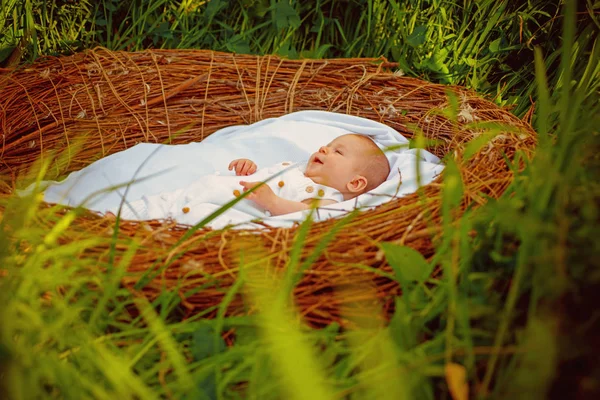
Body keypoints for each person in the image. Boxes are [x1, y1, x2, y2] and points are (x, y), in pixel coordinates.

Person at [117, 134, 390, 220]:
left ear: (354, 183)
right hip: (207, 190)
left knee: (183, 216)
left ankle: (135, 230)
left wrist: (272, 202)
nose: (323, 149)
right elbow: (263, 177)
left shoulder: (327, 197)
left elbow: (307, 215)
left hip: (222, 209)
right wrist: (249, 168)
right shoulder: (294, 168)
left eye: (337, 152)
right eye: (327, 145)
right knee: (161, 203)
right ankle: (120, 219)